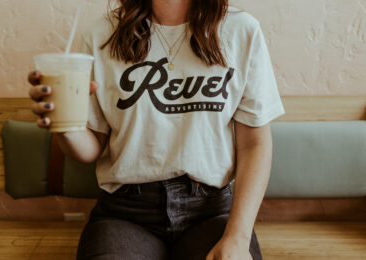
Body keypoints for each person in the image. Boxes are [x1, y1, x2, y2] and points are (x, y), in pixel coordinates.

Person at [27, 0, 285, 259]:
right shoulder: (101, 35)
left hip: (212, 210)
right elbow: (92, 146)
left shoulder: (241, 30)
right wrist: (63, 123)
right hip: (125, 212)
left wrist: (238, 238)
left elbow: (254, 144)